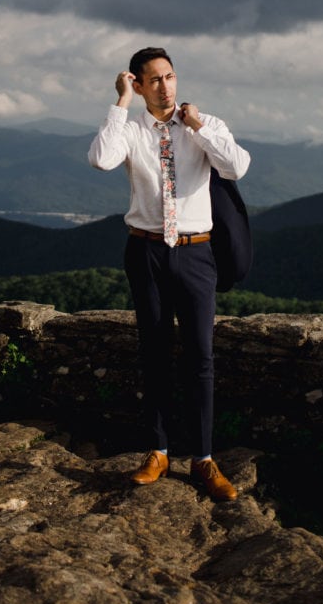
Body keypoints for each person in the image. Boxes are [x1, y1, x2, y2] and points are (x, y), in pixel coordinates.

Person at [88, 46, 250, 501]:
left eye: (170, 76)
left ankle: (203, 459)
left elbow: (236, 167)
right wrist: (119, 103)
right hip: (146, 253)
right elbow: (101, 158)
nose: (165, 86)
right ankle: (158, 451)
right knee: (154, 352)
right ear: (138, 85)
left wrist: (197, 125)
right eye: (154, 79)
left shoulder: (205, 124)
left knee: (201, 357)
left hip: (197, 253)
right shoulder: (131, 127)